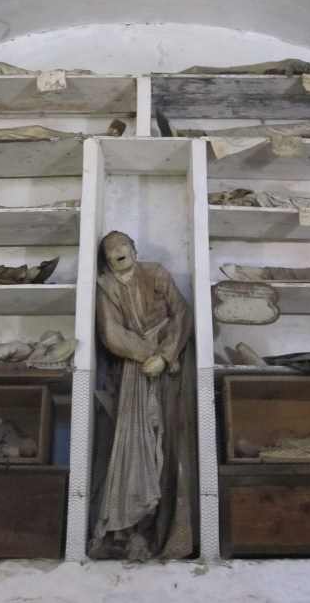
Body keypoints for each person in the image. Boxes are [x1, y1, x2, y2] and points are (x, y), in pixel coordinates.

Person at [88, 231, 197, 561]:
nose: (118, 252)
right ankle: (129, 529)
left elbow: (182, 312)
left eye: (122, 246)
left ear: (134, 248)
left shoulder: (156, 273)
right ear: (105, 258)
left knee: (169, 442)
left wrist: (166, 356)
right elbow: (111, 332)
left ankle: (166, 532)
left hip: (171, 371)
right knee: (133, 445)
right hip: (133, 372)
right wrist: (148, 354)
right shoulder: (105, 287)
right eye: (110, 250)